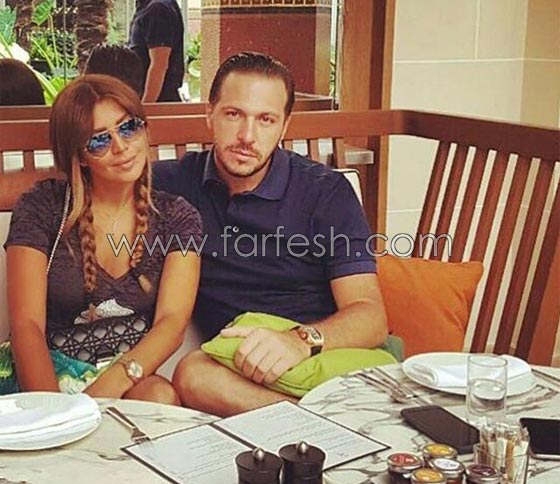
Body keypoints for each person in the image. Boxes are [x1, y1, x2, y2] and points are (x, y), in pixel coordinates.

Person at [153, 52, 388, 416]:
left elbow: (370, 316)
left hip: (322, 358)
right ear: (210, 114)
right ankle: (321, 425)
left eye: (266, 119)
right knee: (193, 375)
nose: (247, 136)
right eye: (234, 114)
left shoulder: (326, 192)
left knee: (195, 374)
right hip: (237, 369)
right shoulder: (172, 184)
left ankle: (315, 423)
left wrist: (299, 341)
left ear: (285, 125)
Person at [3, 74, 201, 403]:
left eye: (128, 127)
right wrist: (58, 412)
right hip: (48, 374)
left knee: (160, 395)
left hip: (126, 377)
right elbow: (27, 326)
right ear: (79, 155)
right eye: (98, 140)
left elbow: (172, 322)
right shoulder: (42, 207)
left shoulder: (176, 216)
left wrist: (102, 392)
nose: (121, 147)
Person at [129, 0, 184, 102]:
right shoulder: (149, 7)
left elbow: (159, 65)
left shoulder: (157, 9)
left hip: (159, 101)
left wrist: (146, 107)